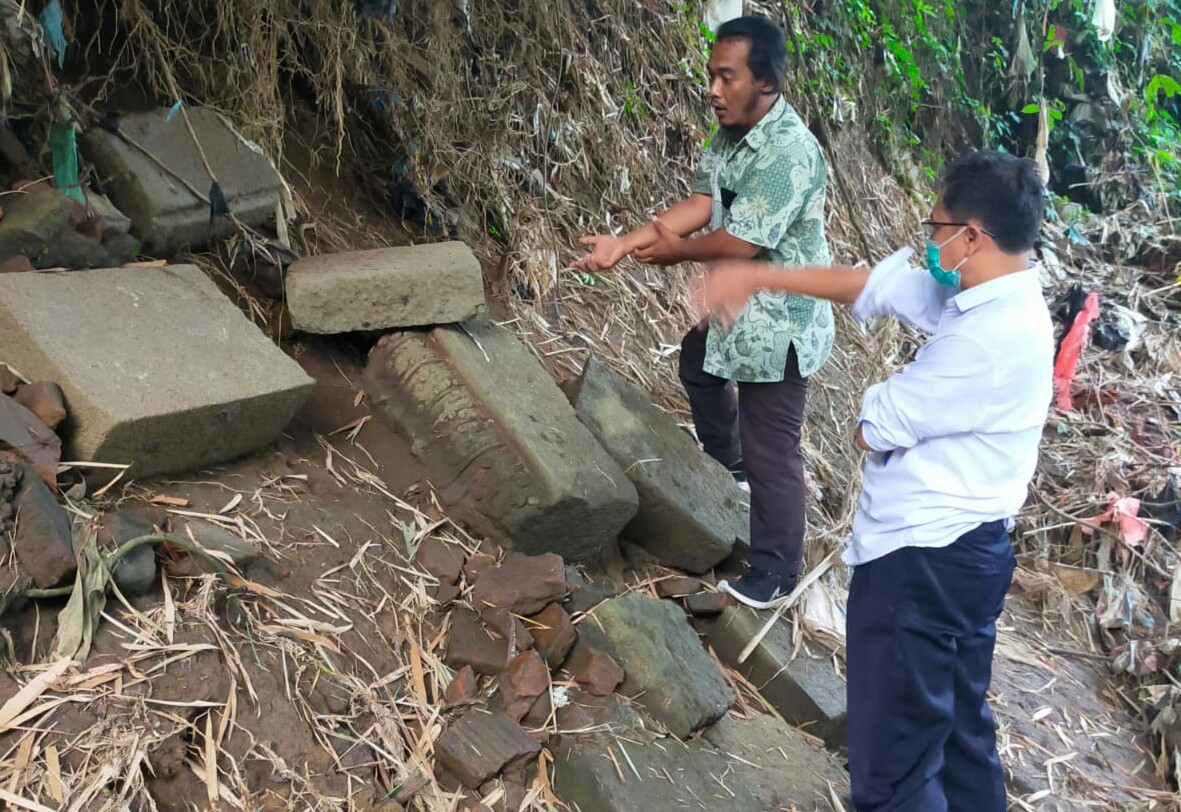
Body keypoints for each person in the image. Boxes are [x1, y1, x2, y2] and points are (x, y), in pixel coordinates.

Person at [696, 150, 1051, 812]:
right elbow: (876, 286)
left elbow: (873, 428)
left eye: (935, 224)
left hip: (923, 566)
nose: (927, 238)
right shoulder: (992, 293)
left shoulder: (985, 340)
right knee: (956, 739)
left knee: (893, 767)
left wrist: (877, 399)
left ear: (970, 236)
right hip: (968, 560)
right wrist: (761, 274)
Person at [572, 15, 832, 608]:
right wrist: (626, 241)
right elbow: (699, 202)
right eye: (710, 76)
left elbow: (741, 241)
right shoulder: (730, 135)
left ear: (766, 81)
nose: (713, 89)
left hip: (782, 323)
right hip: (737, 311)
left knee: (775, 448)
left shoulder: (790, 151)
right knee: (698, 363)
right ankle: (728, 463)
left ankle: (775, 570)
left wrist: (673, 254)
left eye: (726, 76)